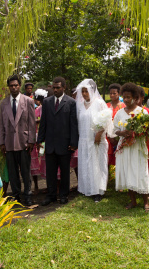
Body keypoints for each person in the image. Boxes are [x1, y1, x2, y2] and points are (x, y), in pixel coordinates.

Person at [38, 76, 79, 206]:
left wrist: (73, 143)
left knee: (65, 172)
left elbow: (73, 124)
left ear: (64, 87)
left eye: (58, 87)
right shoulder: (47, 102)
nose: (55, 90)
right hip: (50, 143)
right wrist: (40, 139)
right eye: (53, 87)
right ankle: (51, 195)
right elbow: (43, 122)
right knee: (50, 172)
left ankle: (63, 195)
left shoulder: (71, 102)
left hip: (65, 144)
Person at [0, 75, 36, 206]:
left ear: (19, 86)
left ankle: (28, 195)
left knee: (26, 172)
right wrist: (1, 142)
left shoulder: (28, 101)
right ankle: (16, 196)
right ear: (8, 87)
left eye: (16, 85)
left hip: (24, 142)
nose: (13, 88)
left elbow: (32, 123)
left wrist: (31, 141)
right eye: (11, 86)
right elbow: (0, 124)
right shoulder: (3, 103)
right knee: (13, 173)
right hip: (9, 143)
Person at [114, 83, 149, 211]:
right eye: (124, 97)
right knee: (127, 171)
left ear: (135, 97)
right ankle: (133, 201)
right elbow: (115, 130)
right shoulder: (119, 113)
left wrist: (137, 133)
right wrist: (122, 133)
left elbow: (148, 131)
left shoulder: (142, 112)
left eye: (128, 97)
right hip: (124, 147)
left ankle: (146, 202)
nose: (126, 100)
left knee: (140, 171)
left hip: (137, 147)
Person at [75, 79, 112, 202]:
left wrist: (99, 133)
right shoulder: (80, 105)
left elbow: (106, 121)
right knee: (86, 164)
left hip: (97, 140)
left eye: (86, 91)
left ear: (92, 91)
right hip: (84, 140)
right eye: (83, 91)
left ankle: (98, 190)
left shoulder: (99, 103)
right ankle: (87, 188)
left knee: (97, 164)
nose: (84, 94)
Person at [30, 89, 48, 195]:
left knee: (45, 161)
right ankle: (37, 186)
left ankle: (48, 185)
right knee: (35, 161)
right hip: (37, 137)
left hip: (45, 138)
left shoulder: (46, 108)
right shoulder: (38, 109)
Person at [106, 83, 125, 171]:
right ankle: (107, 178)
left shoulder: (124, 106)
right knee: (107, 158)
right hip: (108, 137)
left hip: (120, 136)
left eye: (114, 93)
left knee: (120, 158)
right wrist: (109, 136)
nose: (112, 95)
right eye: (110, 93)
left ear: (119, 94)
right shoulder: (105, 106)